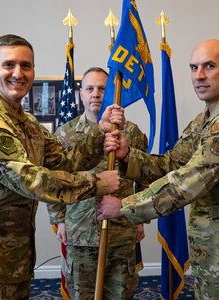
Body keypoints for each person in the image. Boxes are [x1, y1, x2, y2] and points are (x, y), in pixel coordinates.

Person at [0, 34, 124, 300]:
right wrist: (98, 183)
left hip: (16, 256)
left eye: (26, 66)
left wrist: (98, 135)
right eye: (9, 65)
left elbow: (65, 163)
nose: (18, 73)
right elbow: (28, 179)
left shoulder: (27, 123)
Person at [99, 39, 219, 299]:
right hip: (211, 251)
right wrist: (128, 155)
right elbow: (172, 164)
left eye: (209, 66)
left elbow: (190, 180)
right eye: (193, 67)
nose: (199, 76)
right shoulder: (206, 120)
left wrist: (124, 207)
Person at [48, 67, 148, 299]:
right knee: (82, 294)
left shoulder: (131, 132)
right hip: (79, 229)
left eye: (102, 88)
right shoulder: (65, 134)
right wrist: (59, 219)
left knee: (121, 294)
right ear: (80, 94)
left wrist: (140, 216)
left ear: (112, 92)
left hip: (121, 229)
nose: (96, 94)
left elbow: (144, 176)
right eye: (90, 89)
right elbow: (53, 180)